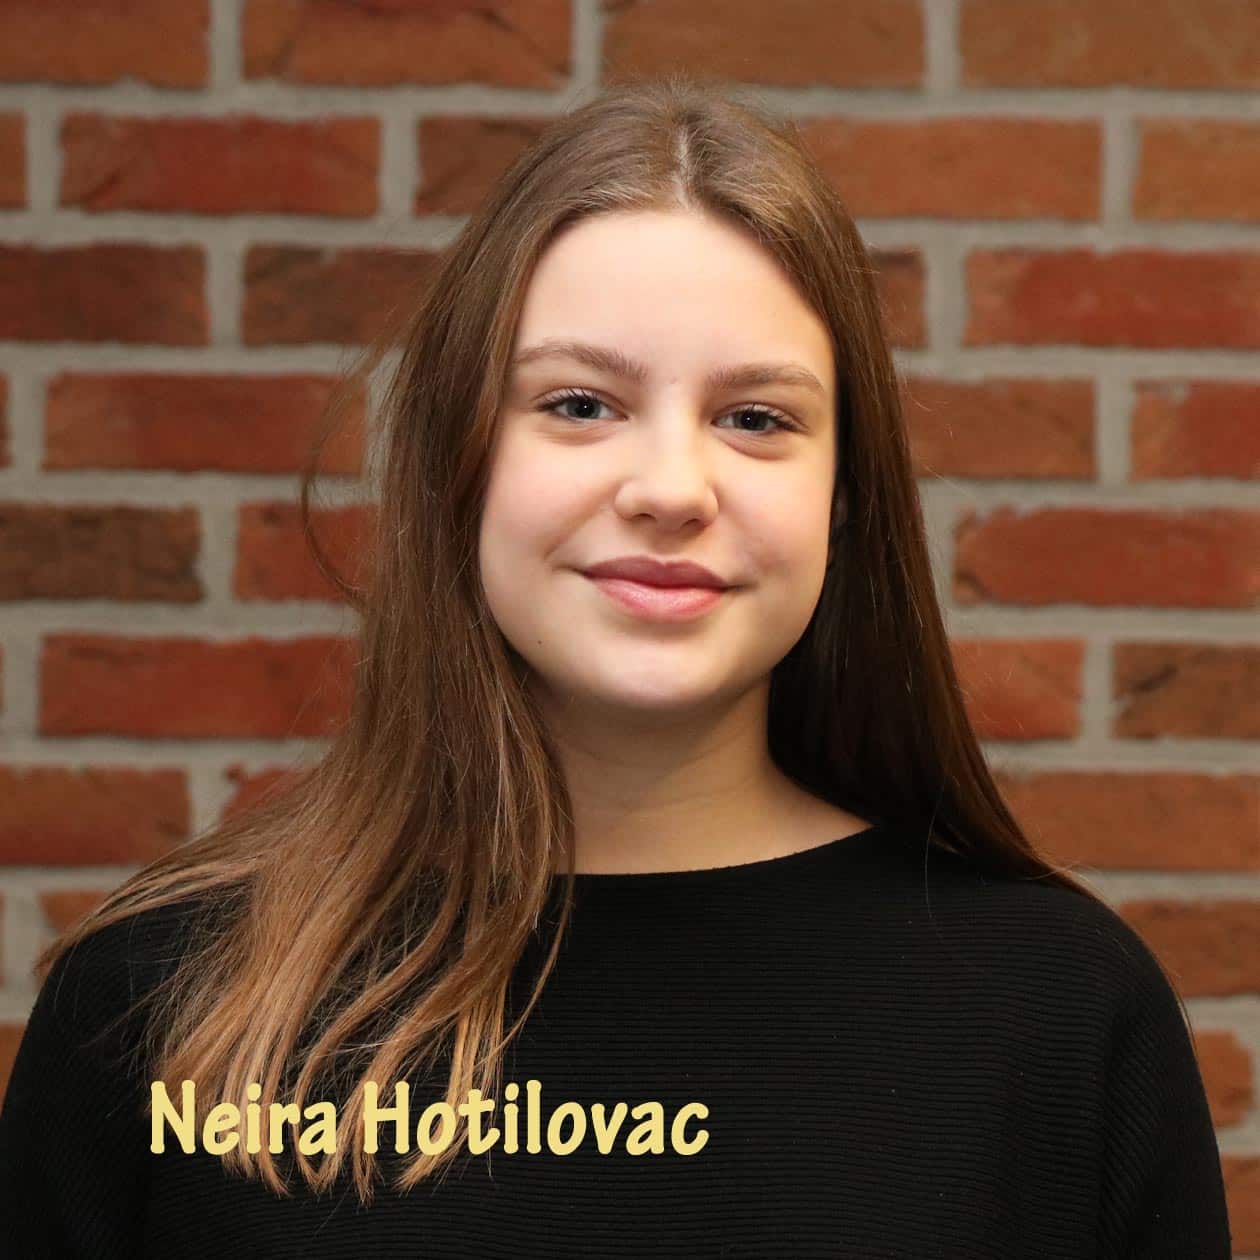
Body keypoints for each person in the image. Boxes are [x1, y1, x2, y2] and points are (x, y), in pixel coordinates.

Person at [0, 76, 1232, 1258]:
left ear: (846, 497)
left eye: (756, 418)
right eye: (581, 403)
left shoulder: (1061, 1018)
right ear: (458, 460)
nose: (670, 489)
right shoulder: (165, 1004)